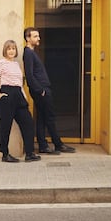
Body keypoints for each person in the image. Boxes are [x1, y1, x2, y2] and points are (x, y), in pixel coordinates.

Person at [23, 27, 75, 155]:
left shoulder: (32, 52)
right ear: (28, 38)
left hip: (42, 89)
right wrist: (40, 90)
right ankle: (58, 144)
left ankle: (43, 146)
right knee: (50, 117)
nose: (38, 38)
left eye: (38, 36)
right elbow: (29, 75)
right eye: (35, 36)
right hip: (41, 90)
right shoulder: (28, 53)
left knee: (42, 117)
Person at [0, 40, 41, 163]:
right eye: (9, 49)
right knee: (5, 126)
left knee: (28, 122)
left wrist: (24, 98)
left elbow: (19, 84)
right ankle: (5, 154)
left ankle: (29, 153)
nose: (11, 51)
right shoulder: (1, 63)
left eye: (13, 48)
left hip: (18, 95)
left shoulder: (17, 65)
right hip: (6, 95)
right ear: (5, 51)